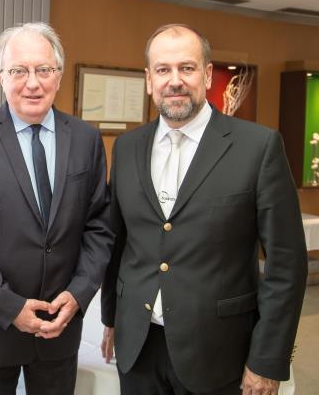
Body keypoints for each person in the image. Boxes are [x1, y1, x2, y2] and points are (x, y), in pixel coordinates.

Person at [101, 24, 308, 395]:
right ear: (149, 80)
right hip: (138, 347)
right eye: (163, 70)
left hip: (218, 352)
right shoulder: (128, 147)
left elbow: (287, 264)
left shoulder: (257, 148)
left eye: (187, 68)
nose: (174, 81)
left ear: (207, 74)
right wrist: (111, 318)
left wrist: (267, 359)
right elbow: (118, 243)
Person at [0, 22, 113, 395]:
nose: (32, 83)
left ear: (59, 75)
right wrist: (8, 305)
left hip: (60, 327)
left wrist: (80, 293)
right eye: (19, 71)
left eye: (43, 70)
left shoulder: (85, 139)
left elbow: (99, 225)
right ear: (1, 75)